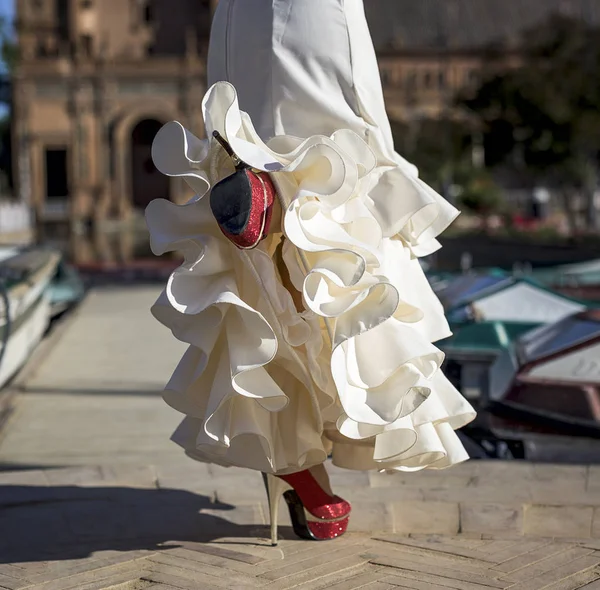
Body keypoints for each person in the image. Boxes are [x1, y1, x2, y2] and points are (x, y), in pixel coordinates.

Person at [146, 0, 476, 545]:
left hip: (241, 21)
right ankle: (279, 202)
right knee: (347, 158)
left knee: (262, 147)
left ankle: (266, 200)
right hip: (316, 15)